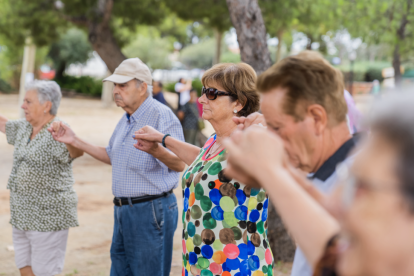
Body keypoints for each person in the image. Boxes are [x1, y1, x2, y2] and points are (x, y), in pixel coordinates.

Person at [224, 93, 414, 276]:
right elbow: (326, 245)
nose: (333, 202)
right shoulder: (359, 261)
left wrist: (273, 171)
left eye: (358, 189)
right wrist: (272, 170)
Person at [134, 63, 275, 276]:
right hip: (200, 261)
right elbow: (205, 163)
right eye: (203, 92)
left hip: (235, 266)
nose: (201, 100)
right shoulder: (214, 142)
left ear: (239, 102)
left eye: (211, 93)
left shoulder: (250, 143)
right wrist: (163, 139)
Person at [48, 58, 185, 276]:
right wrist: (74, 140)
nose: (116, 91)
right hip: (124, 210)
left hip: (149, 210)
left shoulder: (161, 114)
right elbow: (112, 155)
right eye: (115, 85)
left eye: (123, 85)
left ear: (142, 87)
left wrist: (155, 150)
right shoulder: (127, 119)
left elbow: (180, 163)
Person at [233, 51, 354, 276]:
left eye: (277, 127)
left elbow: (340, 261)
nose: (273, 139)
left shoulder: (364, 179)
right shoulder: (325, 172)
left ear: (317, 119)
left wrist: (270, 172)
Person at [0, 80, 83, 276]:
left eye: (28, 101)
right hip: (22, 214)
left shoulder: (58, 130)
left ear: (46, 105)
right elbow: (4, 125)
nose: (23, 106)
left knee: (45, 272)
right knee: (25, 268)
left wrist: (70, 141)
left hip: (48, 216)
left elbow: (76, 152)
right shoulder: (25, 127)